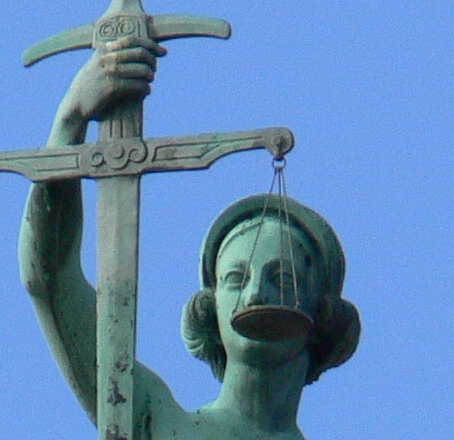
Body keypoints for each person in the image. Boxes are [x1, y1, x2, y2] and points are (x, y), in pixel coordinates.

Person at [19, 36, 360, 440]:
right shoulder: (157, 421)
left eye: (282, 279)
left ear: (320, 315)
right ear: (211, 308)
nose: (254, 297)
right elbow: (49, 278)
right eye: (236, 279)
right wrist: (71, 120)